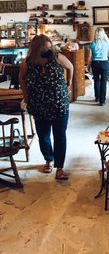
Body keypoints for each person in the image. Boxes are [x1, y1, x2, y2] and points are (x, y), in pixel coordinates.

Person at [19, 34, 73, 180]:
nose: (49, 51)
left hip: (59, 104)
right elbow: (21, 80)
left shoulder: (56, 57)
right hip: (38, 105)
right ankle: (48, 160)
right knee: (43, 135)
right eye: (45, 49)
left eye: (50, 48)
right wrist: (26, 97)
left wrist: (69, 83)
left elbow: (71, 67)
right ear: (36, 49)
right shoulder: (27, 63)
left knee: (60, 135)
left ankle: (60, 168)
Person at [88, 27, 109, 106]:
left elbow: (90, 57)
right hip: (104, 63)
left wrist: (88, 66)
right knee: (103, 82)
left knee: (97, 80)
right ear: (103, 34)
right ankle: (102, 101)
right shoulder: (107, 43)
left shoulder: (92, 43)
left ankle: (97, 97)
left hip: (95, 63)